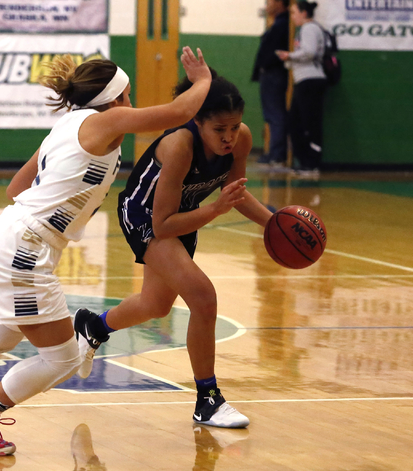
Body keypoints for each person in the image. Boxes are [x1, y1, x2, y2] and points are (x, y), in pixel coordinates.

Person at [0, 47, 212, 456]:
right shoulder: (107, 121)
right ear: (114, 99)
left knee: (0, 334)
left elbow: (15, 188)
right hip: (28, 247)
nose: (131, 104)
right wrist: (202, 80)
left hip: (12, 233)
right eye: (128, 95)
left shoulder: (67, 126)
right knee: (63, 358)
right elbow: (177, 113)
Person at [73, 70, 274, 429]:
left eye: (234, 127)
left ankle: (94, 326)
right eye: (219, 130)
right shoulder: (179, 146)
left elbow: (236, 192)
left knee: (156, 304)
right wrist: (214, 209)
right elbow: (163, 225)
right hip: (146, 214)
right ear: (198, 121)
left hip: (184, 213)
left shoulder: (240, 138)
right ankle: (208, 400)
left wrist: (273, 224)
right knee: (203, 296)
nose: (229, 137)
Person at [276, 0, 327, 177]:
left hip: (310, 81)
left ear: (304, 13)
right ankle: (305, 162)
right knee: (295, 122)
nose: (293, 16)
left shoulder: (309, 28)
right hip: (304, 81)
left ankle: (311, 164)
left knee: (309, 123)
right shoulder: (306, 29)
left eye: (294, 12)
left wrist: (289, 55)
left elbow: (310, 52)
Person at [251, 0, 290, 167]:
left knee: (275, 114)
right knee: (272, 115)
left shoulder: (284, 24)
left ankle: (277, 154)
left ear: (280, 3)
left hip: (274, 74)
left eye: (270, 2)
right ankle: (274, 152)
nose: (267, 6)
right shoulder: (277, 23)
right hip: (269, 74)